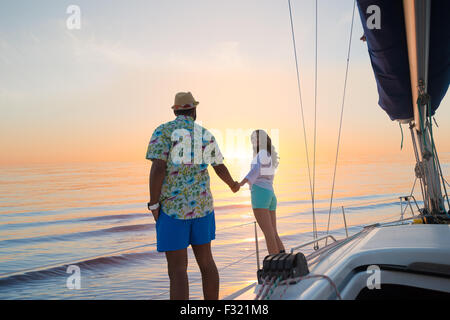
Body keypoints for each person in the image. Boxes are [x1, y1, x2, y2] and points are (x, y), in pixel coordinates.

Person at [146, 92, 239, 300]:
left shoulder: (163, 131)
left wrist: (154, 204)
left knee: (178, 270)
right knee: (207, 263)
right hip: (202, 208)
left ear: (175, 110)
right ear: (194, 110)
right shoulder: (204, 134)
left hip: (172, 210)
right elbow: (219, 167)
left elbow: (158, 168)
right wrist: (232, 184)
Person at [239, 130, 285, 255]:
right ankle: (283, 260)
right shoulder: (267, 154)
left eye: (256, 138)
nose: (253, 140)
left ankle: (275, 264)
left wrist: (240, 183)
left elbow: (255, 170)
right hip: (269, 194)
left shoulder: (262, 153)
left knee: (268, 233)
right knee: (273, 232)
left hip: (260, 194)